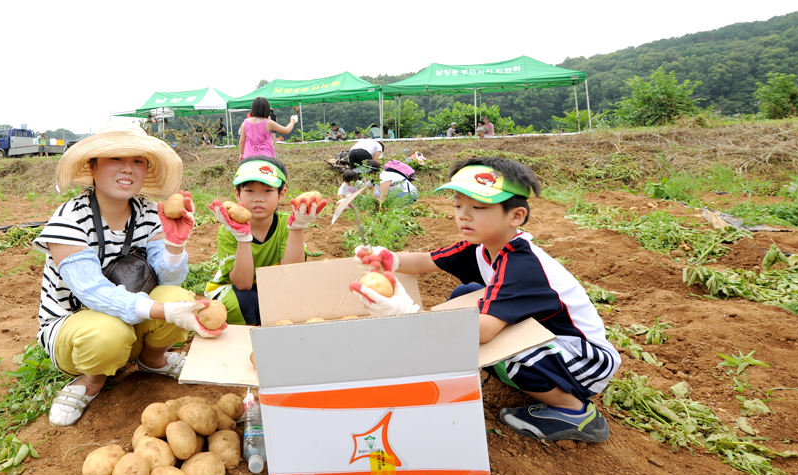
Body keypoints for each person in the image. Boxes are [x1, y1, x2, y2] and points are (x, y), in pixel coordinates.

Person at [351, 157, 620, 444]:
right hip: (554, 341)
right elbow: (426, 261)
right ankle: (545, 382)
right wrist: (389, 259)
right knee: (464, 297)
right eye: (458, 206)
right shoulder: (482, 247)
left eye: (478, 208)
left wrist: (408, 312)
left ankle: (574, 413)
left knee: (492, 341)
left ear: (515, 216)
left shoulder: (522, 264)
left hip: (587, 361)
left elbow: (481, 332)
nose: (464, 216)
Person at [35, 125, 222, 427]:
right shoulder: (69, 219)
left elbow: (169, 280)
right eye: (115, 159)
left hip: (130, 324)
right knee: (110, 333)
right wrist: (163, 311)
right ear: (92, 166)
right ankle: (91, 380)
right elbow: (92, 291)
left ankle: (152, 360)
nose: (128, 169)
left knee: (178, 297)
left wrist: (174, 246)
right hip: (80, 334)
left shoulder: (148, 212)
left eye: (138, 161)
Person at [204, 156, 325, 325]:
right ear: (237, 194)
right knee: (246, 301)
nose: (258, 198)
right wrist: (243, 237)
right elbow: (243, 283)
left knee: (305, 296)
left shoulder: (286, 224)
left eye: (268, 191)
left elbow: (291, 274)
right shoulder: (228, 230)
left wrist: (297, 228)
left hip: (272, 287)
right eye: (249, 191)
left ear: (281, 194)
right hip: (232, 290)